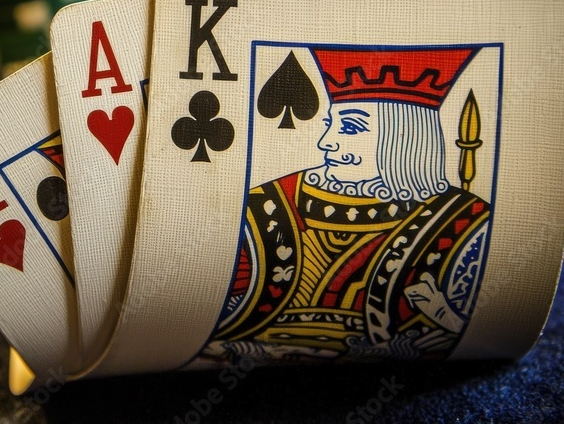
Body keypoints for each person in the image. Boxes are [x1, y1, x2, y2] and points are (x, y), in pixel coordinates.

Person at [204, 46, 491, 362]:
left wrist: (441, 312)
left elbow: (481, 330)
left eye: (350, 127)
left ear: (403, 138)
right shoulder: (268, 203)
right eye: (330, 124)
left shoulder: (463, 219)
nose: (326, 142)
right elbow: (213, 300)